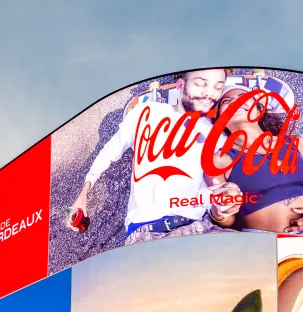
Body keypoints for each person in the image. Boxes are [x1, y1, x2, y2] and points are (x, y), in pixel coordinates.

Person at [69, 69, 239, 245]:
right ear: (180, 86)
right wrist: (83, 194)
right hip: (150, 233)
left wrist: (220, 206)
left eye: (217, 87)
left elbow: (207, 189)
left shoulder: (217, 135)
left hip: (199, 228)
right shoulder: (147, 112)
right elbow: (110, 151)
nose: (209, 93)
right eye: (200, 84)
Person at [206, 84, 303, 238]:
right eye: (226, 101)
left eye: (243, 98)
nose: (235, 102)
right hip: (262, 243)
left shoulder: (297, 144)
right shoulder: (219, 161)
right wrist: (219, 210)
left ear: (259, 110)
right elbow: (229, 222)